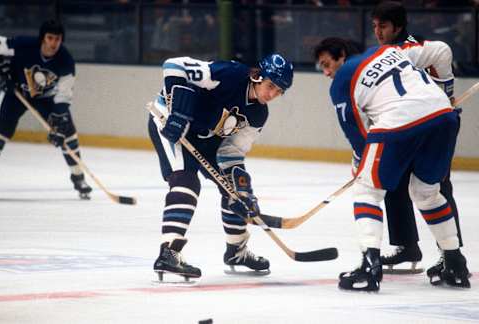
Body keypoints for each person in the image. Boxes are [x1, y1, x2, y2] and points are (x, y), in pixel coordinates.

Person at [314, 37, 470, 291]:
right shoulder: (390, 50)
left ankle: (369, 266)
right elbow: (442, 50)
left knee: (367, 190)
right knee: (427, 193)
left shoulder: (343, 80)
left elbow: (355, 133)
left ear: (342, 55)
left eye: (327, 64)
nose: (326, 73)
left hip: (400, 119)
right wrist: (446, 93)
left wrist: (359, 167)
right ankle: (455, 263)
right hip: (443, 116)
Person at [148, 53, 293, 280]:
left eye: (279, 91)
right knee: (186, 181)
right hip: (172, 123)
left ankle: (236, 250)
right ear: (259, 77)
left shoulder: (258, 115)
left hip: (205, 139)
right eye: (271, 85)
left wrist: (242, 188)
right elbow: (174, 65)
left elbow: (232, 153)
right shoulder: (232, 74)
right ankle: (168, 253)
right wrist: (178, 113)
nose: (272, 94)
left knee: (234, 190)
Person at [371, 1, 464, 278]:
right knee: (395, 182)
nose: (378, 32)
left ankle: (450, 253)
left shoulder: (414, 48)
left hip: (434, 129)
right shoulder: (388, 52)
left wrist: (443, 92)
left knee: (437, 187)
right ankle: (407, 246)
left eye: (383, 26)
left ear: (398, 27)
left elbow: (442, 57)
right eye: (375, 26)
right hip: (405, 126)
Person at [0, 19, 92, 199]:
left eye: (57, 39)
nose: (53, 43)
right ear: (42, 38)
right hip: (17, 93)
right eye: (50, 38)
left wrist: (58, 118)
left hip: (47, 99)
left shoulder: (65, 60)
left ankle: (78, 177)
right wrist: (2, 70)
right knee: (1, 133)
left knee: (68, 134)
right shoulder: (24, 45)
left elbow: (64, 95)